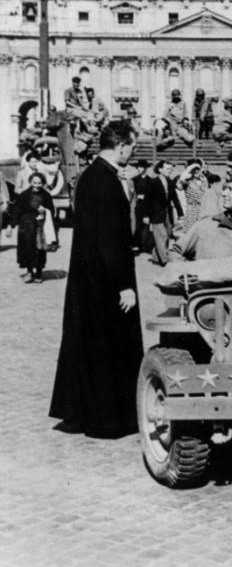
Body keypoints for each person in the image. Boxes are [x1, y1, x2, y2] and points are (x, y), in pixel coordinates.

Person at [50, 120, 143, 438]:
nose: (132, 151)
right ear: (121, 145)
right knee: (108, 346)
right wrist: (124, 284)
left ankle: (81, 412)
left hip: (89, 278)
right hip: (106, 280)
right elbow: (110, 239)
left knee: (88, 345)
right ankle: (108, 418)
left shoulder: (92, 176)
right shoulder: (105, 181)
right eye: (132, 145)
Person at [9, 171, 55, 283]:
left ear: (43, 183)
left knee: (40, 249)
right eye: (35, 183)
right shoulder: (24, 195)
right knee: (27, 249)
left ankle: (38, 272)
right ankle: (29, 272)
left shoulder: (46, 195)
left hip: (40, 226)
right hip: (26, 227)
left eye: (39, 183)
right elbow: (16, 210)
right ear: (30, 182)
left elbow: (52, 211)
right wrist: (11, 225)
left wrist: (45, 211)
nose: (37, 185)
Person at [144, 160, 183, 266]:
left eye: (171, 169)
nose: (170, 171)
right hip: (156, 214)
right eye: (167, 169)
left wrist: (180, 213)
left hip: (167, 213)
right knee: (162, 235)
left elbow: (175, 198)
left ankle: (156, 258)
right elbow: (147, 200)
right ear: (160, 169)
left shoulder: (170, 182)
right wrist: (146, 215)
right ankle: (165, 260)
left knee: (167, 234)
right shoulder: (153, 182)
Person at [179, 160, 208, 232]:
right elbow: (182, 178)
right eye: (194, 170)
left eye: (198, 170)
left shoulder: (204, 180)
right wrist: (192, 166)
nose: (196, 172)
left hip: (202, 209)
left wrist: (200, 167)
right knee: (190, 232)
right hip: (191, 209)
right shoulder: (187, 182)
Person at [132, 159, 153, 252]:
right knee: (136, 225)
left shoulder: (150, 181)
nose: (139, 169)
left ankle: (145, 246)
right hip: (137, 206)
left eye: (141, 167)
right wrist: (136, 196)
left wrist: (145, 196)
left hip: (147, 206)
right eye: (138, 167)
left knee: (146, 226)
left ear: (145, 168)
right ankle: (137, 244)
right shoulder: (134, 180)